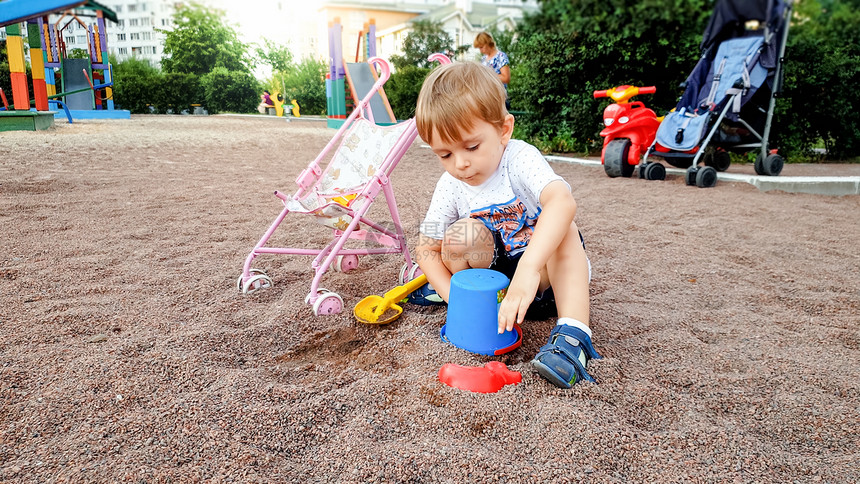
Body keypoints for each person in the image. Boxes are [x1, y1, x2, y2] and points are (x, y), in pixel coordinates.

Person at [411, 62, 602, 388]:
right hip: (499, 293)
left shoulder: (519, 158)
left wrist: (529, 269)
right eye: (444, 154)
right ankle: (477, 303)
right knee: (459, 236)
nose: (460, 164)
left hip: (544, 280)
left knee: (564, 228)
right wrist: (455, 298)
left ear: (503, 129)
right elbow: (425, 247)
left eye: (471, 146)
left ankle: (573, 338)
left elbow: (562, 201)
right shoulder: (450, 184)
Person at [473, 31, 511, 110]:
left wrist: (487, 75)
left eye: (481, 47)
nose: (480, 51)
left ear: (488, 44)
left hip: (498, 98)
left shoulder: (500, 56)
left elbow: (506, 78)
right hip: (485, 97)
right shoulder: (483, 59)